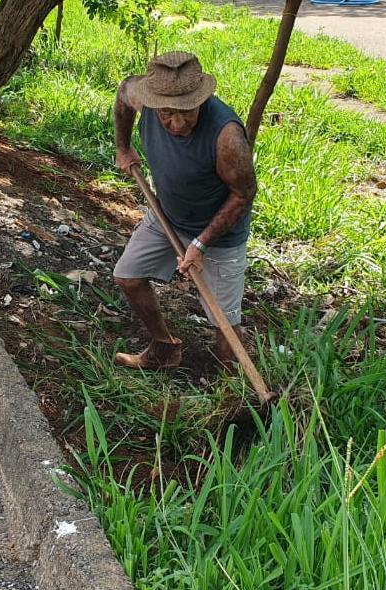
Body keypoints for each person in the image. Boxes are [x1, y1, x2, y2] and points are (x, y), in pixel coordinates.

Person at [112, 51, 257, 369]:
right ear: (153, 102)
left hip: (219, 235)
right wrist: (123, 147)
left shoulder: (227, 137)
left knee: (225, 325)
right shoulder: (142, 97)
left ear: (200, 100)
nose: (177, 123)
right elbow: (123, 93)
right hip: (167, 215)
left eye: (187, 113)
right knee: (128, 277)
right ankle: (164, 349)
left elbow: (244, 195)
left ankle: (232, 394)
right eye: (166, 113)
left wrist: (201, 243)